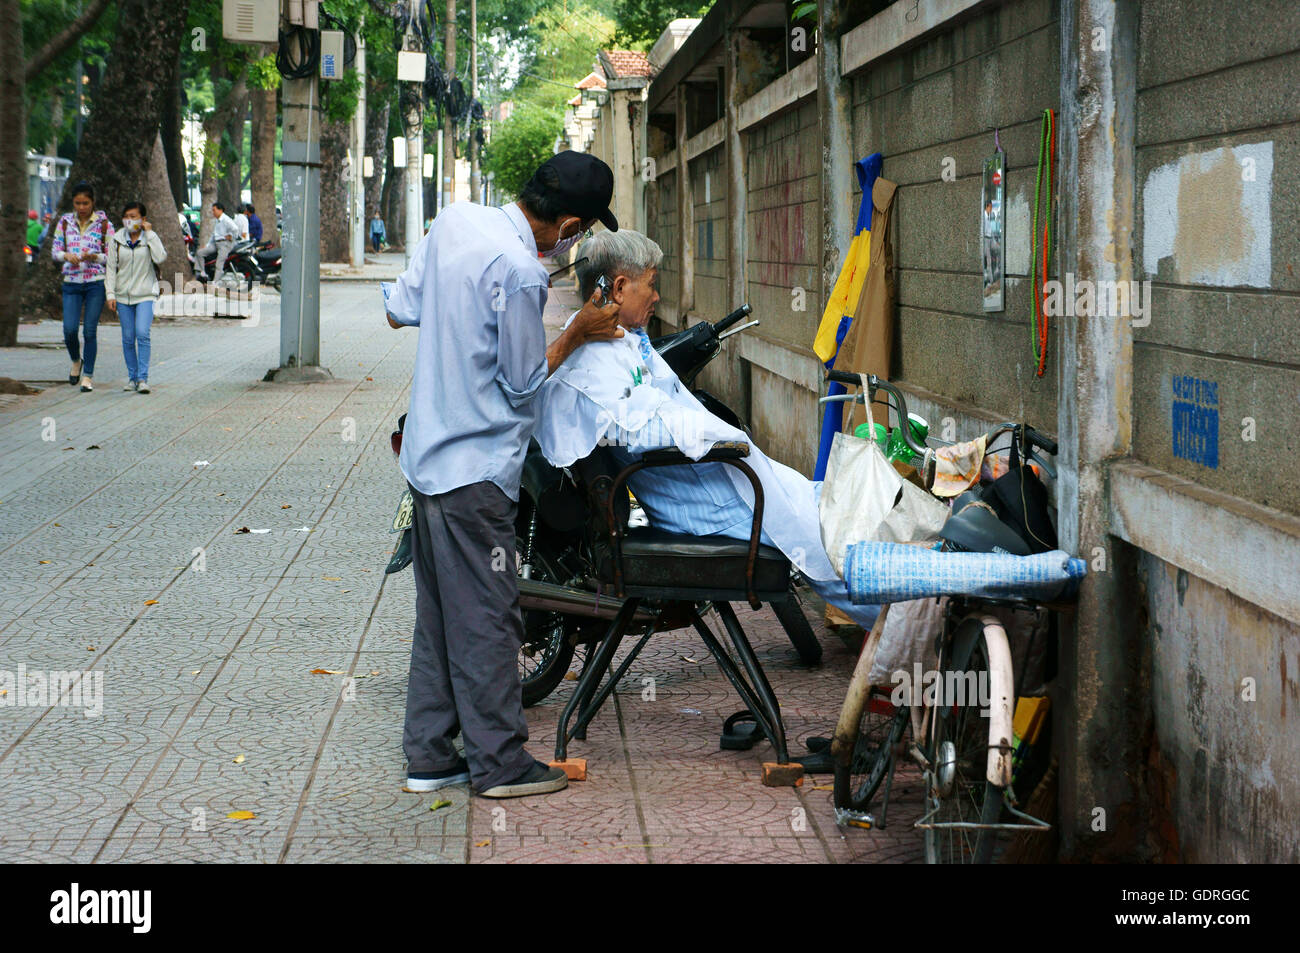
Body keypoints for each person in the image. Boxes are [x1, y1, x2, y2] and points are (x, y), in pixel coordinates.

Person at [382, 151, 622, 799]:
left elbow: (395, 309)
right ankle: (499, 763)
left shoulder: (455, 221)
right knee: (490, 615)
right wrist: (577, 332)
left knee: (438, 615)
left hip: (428, 458)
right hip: (476, 473)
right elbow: (521, 383)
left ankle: (430, 754)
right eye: (580, 232)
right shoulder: (520, 272)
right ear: (569, 226)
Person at [535, 229, 880, 631]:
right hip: (702, 503)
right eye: (652, 284)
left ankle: (918, 607)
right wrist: (720, 437)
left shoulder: (621, 339)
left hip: (715, 484)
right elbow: (642, 429)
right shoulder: (594, 357)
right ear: (621, 286)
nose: (657, 296)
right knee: (829, 548)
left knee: (833, 505)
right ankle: (915, 632)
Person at [51, 182, 113, 392]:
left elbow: (112, 256)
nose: (81, 207)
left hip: (95, 282)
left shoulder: (104, 224)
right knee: (69, 330)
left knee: (89, 331)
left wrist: (95, 257)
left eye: (85, 203)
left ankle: (88, 376)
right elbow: (55, 251)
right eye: (77, 203)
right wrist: (66, 255)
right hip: (71, 282)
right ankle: (76, 360)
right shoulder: (65, 222)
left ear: (93, 202)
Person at [106, 201, 166, 394]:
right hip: (123, 296)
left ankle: (143, 378)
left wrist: (149, 234)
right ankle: (132, 378)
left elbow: (160, 258)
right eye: (127, 217)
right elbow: (110, 270)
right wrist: (110, 294)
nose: (129, 220)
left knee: (142, 333)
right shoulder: (116, 240)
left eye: (134, 217)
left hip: (145, 294)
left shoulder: (150, 237)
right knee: (127, 337)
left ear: (143, 219)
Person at [200, 201, 241, 283]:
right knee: (200, 253)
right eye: (212, 210)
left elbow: (235, 229)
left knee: (219, 264)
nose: (213, 212)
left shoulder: (226, 219)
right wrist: (207, 245)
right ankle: (202, 273)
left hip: (225, 244)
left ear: (220, 210)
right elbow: (213, 235)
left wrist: (232, 237)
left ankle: (215, 282)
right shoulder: (217, 221)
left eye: (214, 210)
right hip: (216, 243)